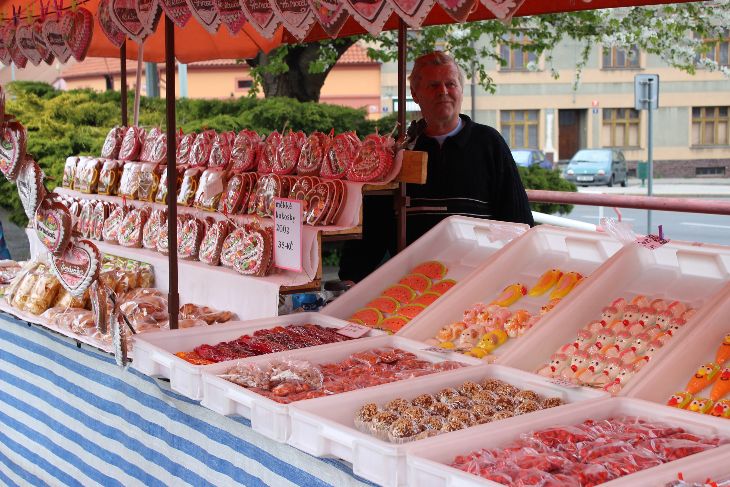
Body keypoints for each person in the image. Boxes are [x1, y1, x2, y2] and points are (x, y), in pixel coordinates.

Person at [339, 51, 534, 282]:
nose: (443, 91)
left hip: (476, 280)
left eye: (450, 84)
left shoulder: (489, 143)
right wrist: (349, 280)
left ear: (460, 90)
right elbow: (374, 227)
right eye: (433, 85)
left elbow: (518, 223)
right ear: (415, 94)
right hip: (413, 283)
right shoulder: (398, 152)